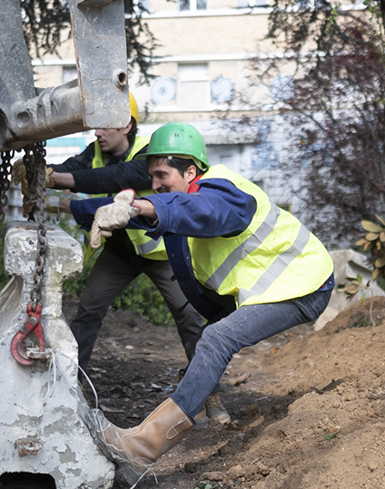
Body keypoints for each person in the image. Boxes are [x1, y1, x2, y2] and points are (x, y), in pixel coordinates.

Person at [69, 122, 336, 483]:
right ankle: (135, 460)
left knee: (216, 340)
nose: (157, 184)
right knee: (213, 339)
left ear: (191, 171)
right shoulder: (185, 207)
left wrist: (141, 207)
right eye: (152, 178)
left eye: (162, 175)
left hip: (307, 284)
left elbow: (202, 210)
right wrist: (102, 208)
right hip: (280, 289)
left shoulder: (224, 191)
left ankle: (142, 447)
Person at [11, 98, 231, 424]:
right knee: (88, 311)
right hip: (121, 251)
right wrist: (46, 174)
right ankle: (70, 384)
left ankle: (210, 394)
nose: (97, 132)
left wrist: (55, 181)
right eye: (95, 125)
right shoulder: (93, 152)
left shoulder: (148, 153)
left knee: (189, 318)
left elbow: (111, 179)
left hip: (161, 250)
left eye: (105, 125)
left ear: (127, 125)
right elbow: (77, 169)